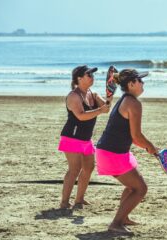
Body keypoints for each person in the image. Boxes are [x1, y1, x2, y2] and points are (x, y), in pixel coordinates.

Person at [96, 69, 157, 235]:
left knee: (132, 187)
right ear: (131, 84)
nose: (143, 83)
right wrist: (151, 146)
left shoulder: (125, 99)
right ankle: (116, 223)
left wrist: (149, 148)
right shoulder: (133, 103)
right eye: (140, 80)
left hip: (110, 150)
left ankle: (124, 218)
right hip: (112, 153)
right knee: (140, 189)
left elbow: (134, 138)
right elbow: (136, 135)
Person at [58, 65, 111, 209]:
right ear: (79, 79)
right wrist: (100, 110)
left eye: (92, 75)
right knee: (74, 169)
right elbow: (81, 116)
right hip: (72, 137)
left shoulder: (92, 93)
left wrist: (109, 96)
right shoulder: (73, 96)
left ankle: (79, 199)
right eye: (89, 75)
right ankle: (64, 202)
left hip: (86, 138)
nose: (92, 77)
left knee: (88, 168)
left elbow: (106, 109)